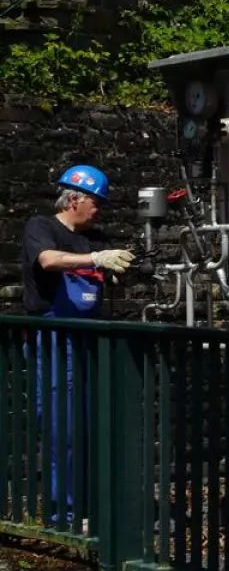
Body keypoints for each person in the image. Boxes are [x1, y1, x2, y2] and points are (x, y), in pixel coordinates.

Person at [22, 165, 135, 527]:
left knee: (91, 427)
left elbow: (99, 277)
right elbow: (48, 260)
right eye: (95, 201)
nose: (99, 209)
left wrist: (115, 271)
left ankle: (89, 507)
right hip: (54, 338)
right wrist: (96, 260)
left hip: (87, 339)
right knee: (62, 429)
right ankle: (63, 514)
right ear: (73, 198)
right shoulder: (42, 227)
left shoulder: (91, 238)